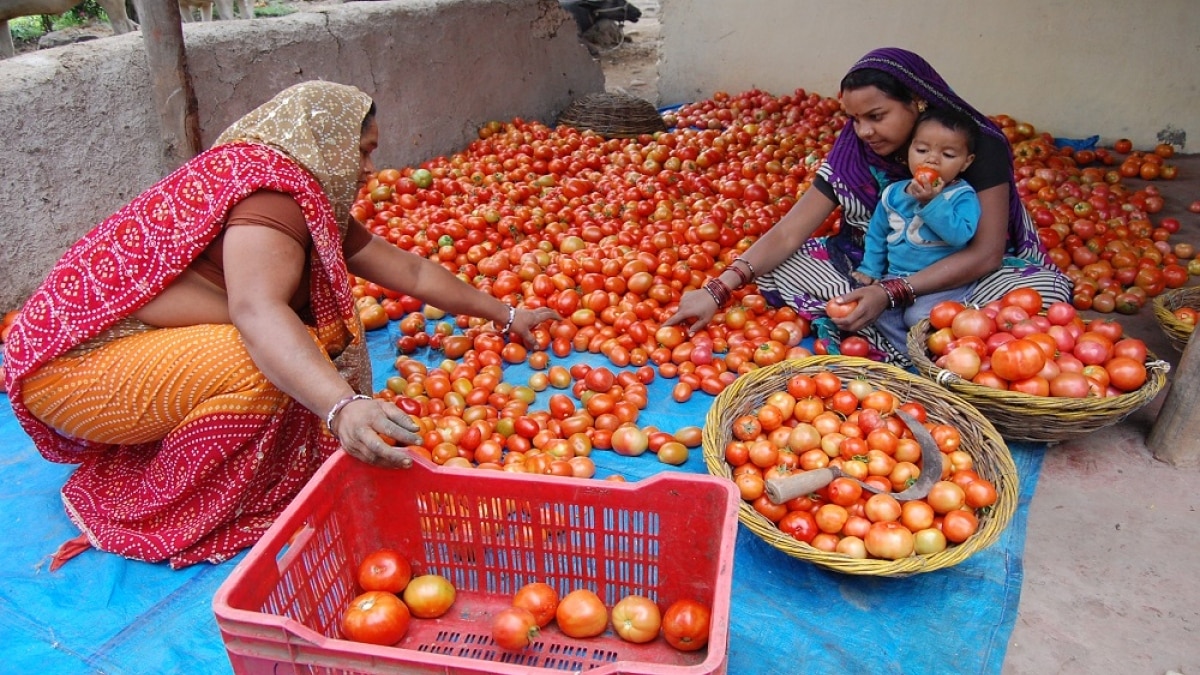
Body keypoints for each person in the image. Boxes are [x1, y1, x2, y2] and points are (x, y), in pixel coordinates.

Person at [2, 81, 558, 569]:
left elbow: (409, 268)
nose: (368, 169)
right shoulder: (273, 196)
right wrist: (342, 408)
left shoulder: (299, 195)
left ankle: (195, 458)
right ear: (323, 144)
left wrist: (510, 315)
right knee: (267, 360)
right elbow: (258, 313)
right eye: (361, 151)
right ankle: (166, 504)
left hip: (120, 361)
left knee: (296, 356)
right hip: (70, 376)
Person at [664, 47, 1071, 365]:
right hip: (874, 264)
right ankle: (924, 338)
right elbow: (791, 230)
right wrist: (716, 290)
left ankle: (909, 331)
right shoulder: (855, 145)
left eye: (876, 116)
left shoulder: (975, 145)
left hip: (962, 273)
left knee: (1042, 293)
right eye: (854, 119)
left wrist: (892, 292)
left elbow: (986, 253)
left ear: (917, 101)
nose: (864, 132)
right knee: (784, 263)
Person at [854, 107, 981, 355]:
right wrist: (870, 268)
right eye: (922, 150)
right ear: (908, 151)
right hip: (897, 276)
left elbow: (960, 235)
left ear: (966, 162)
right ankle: (910, 354)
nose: (931, 160)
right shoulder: (892, 194)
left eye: (948, 154)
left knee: (917, 316)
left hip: (943, 283)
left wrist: (933, 203)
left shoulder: (962, 196)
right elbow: (877, 233)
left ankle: (934, 353)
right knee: (878, 311)